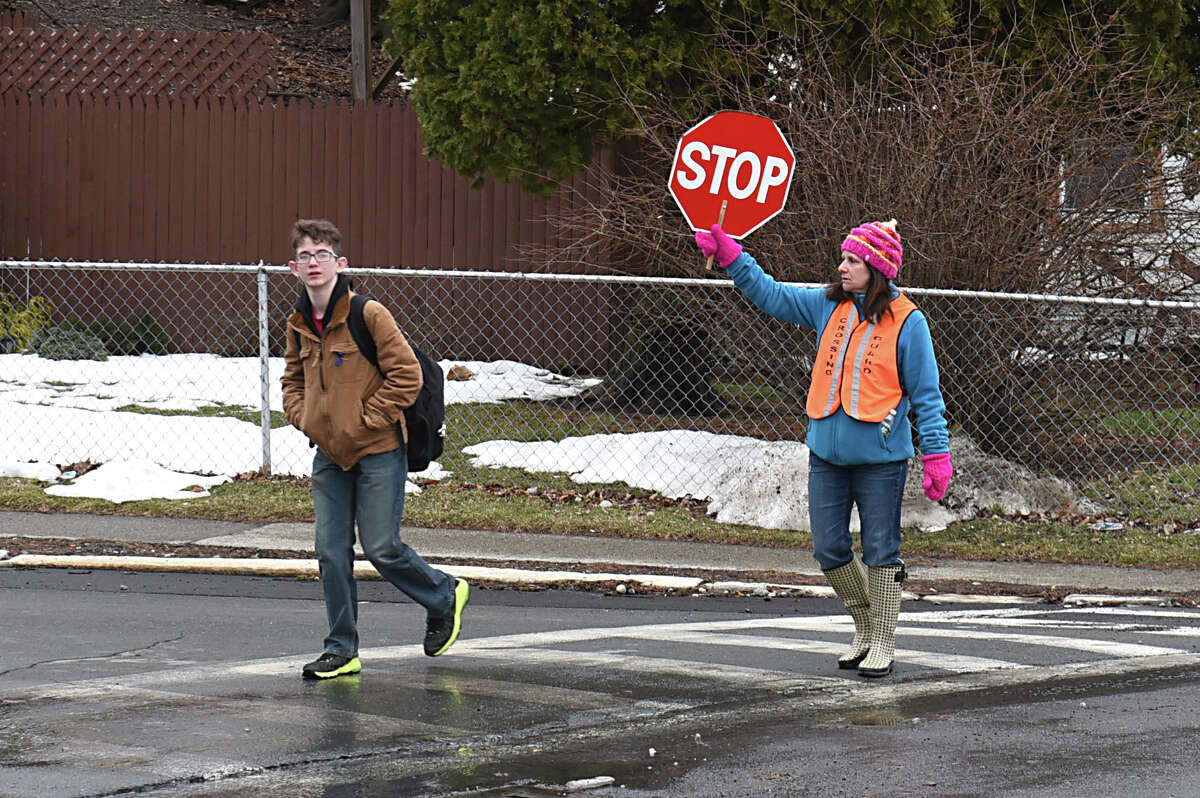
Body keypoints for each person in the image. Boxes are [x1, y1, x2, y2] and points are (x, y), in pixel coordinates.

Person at [696, 219, 952, 678]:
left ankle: (883, 641)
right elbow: (770, 294)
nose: (842, 267)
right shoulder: (827, 305)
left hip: (881, 461)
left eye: (853, 261)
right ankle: (866, 624)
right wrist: (732, 256)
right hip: (826, 456)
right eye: (844, 258)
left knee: (880, 549)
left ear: (877, 268)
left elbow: (928, 397)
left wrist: (936, 455)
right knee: (829, 547)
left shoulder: (909, 322)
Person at [281, 218, 469, 680]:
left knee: (382, 547)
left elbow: (408, 374)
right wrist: (304, 416)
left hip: (380, 450)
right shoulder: (298, 324)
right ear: (293, 268)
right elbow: (291, 380)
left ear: (340, 263)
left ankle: (443, 595)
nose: (313, 263)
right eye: (304, 256)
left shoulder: (369, 314)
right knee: (330, 551)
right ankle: (341, 649)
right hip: (329, 456)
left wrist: (368, 420)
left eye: (321, 254)